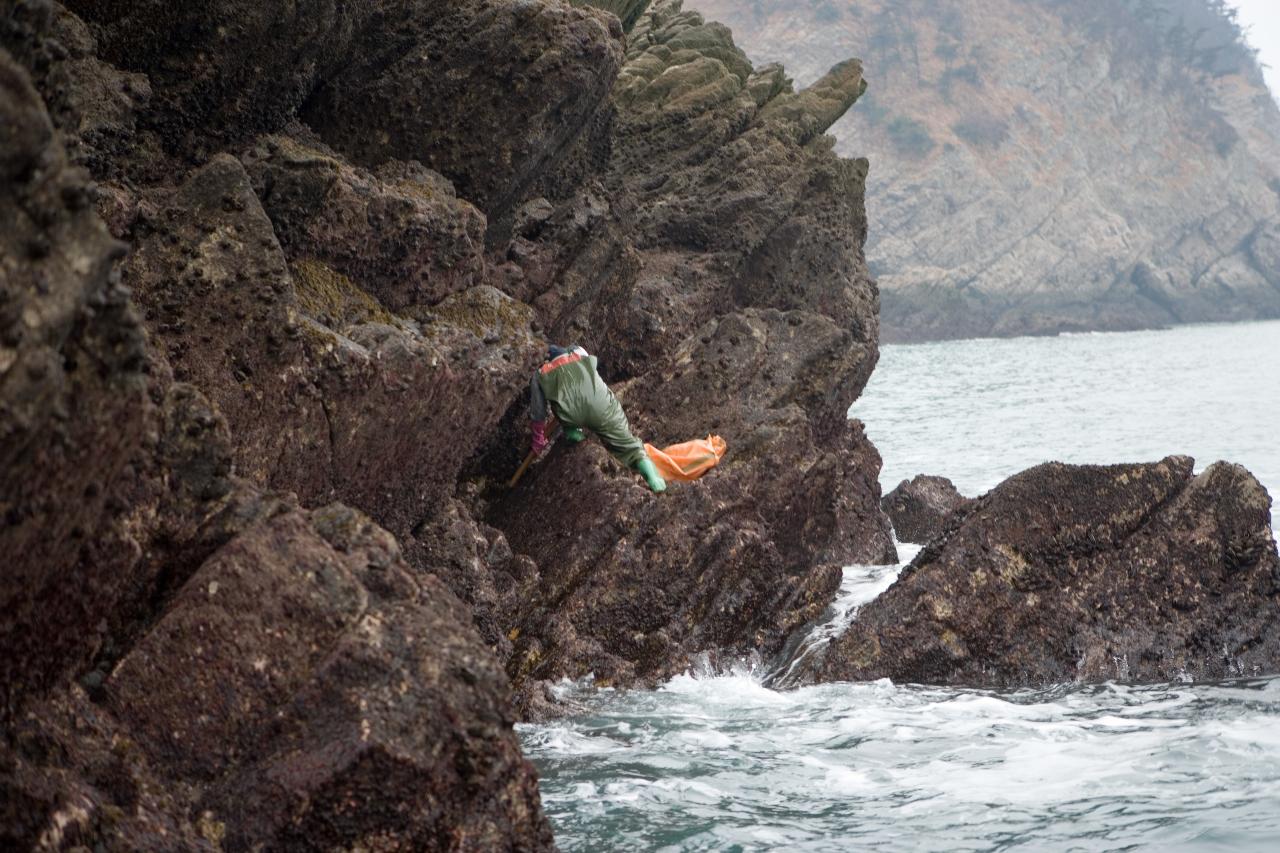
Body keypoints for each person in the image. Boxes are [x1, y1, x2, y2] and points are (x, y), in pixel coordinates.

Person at [529, 345, 666, 493]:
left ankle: (573, 432)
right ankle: (653, 478)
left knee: (561, 402)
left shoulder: (539, 374)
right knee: (631, 447)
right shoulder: (578, 352)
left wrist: (538, 440)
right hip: (602, 406)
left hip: (571, 413)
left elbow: (538, 412)